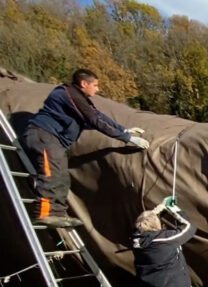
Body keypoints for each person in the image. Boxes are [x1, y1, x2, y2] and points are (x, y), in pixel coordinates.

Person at [21, 68, 150, 228]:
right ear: (84, 83)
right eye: (95, 85)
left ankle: (58, 214)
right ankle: (45, 213)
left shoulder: (79, 99)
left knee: (61, 175)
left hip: (55, 141)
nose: (97, 89)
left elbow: (98, 116)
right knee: (51, 173)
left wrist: (123, 130)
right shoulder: (67, 94)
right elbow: (94, 119)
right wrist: (127, 138)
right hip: (43, 135)